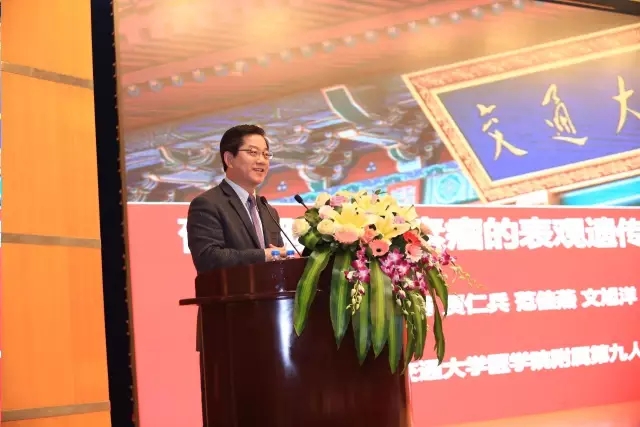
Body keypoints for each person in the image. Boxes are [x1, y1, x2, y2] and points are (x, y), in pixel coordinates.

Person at [186, 124, 285, 426]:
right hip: (228, 329)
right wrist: (264, 255)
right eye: (253, 152)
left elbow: (275, 267)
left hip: (270, 330)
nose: (262, 160)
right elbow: (209, 259)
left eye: (266, 154)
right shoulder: (208, 204)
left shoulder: (267, 210)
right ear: (229, 159)